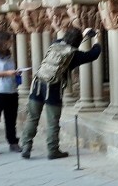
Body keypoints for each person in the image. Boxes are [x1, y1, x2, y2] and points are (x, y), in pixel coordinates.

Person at [20, 26, 101, 160]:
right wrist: (96, 39)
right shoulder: (75, 55)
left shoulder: (55, 44)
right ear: (78, 41)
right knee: (53, 121)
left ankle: (26, 147)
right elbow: (94, 54)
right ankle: (53, 150)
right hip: (53, 88)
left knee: (32, 117)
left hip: (38, 83)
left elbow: (66, 42)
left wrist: (82, 35)